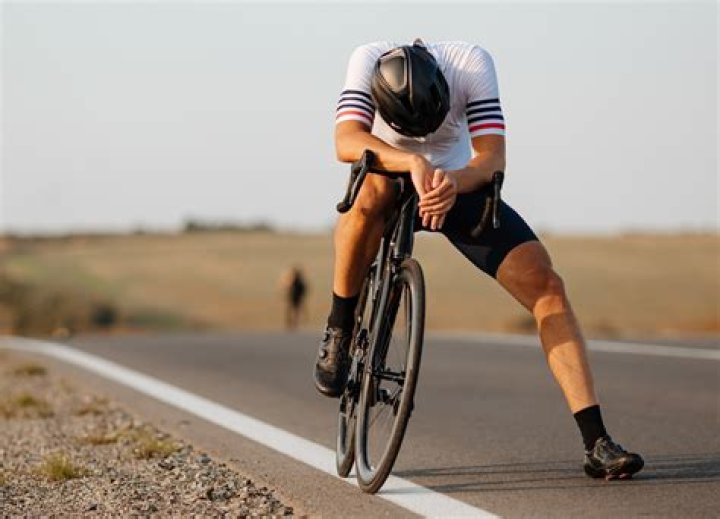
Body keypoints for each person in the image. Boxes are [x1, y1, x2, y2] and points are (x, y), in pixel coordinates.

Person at [313, 39, 644, 480]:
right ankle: (340, 327)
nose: (423, 134)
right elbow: (346, 141)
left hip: (456, 184)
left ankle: (596, 441)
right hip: (389, 175)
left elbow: (492, 157)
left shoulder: (469, 64)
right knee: (368, 193)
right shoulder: (367, 58)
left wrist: (452, 180)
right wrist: (411, 161)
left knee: (547, 287)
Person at [280, 266, 307, 330]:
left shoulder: (299, 282)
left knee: (295, 311)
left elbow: (302, 290)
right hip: (293, 298)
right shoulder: (294, 282)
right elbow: (288, 288)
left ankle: (294, 323)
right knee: (292, 310)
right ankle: (290, 322)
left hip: (296, 298)